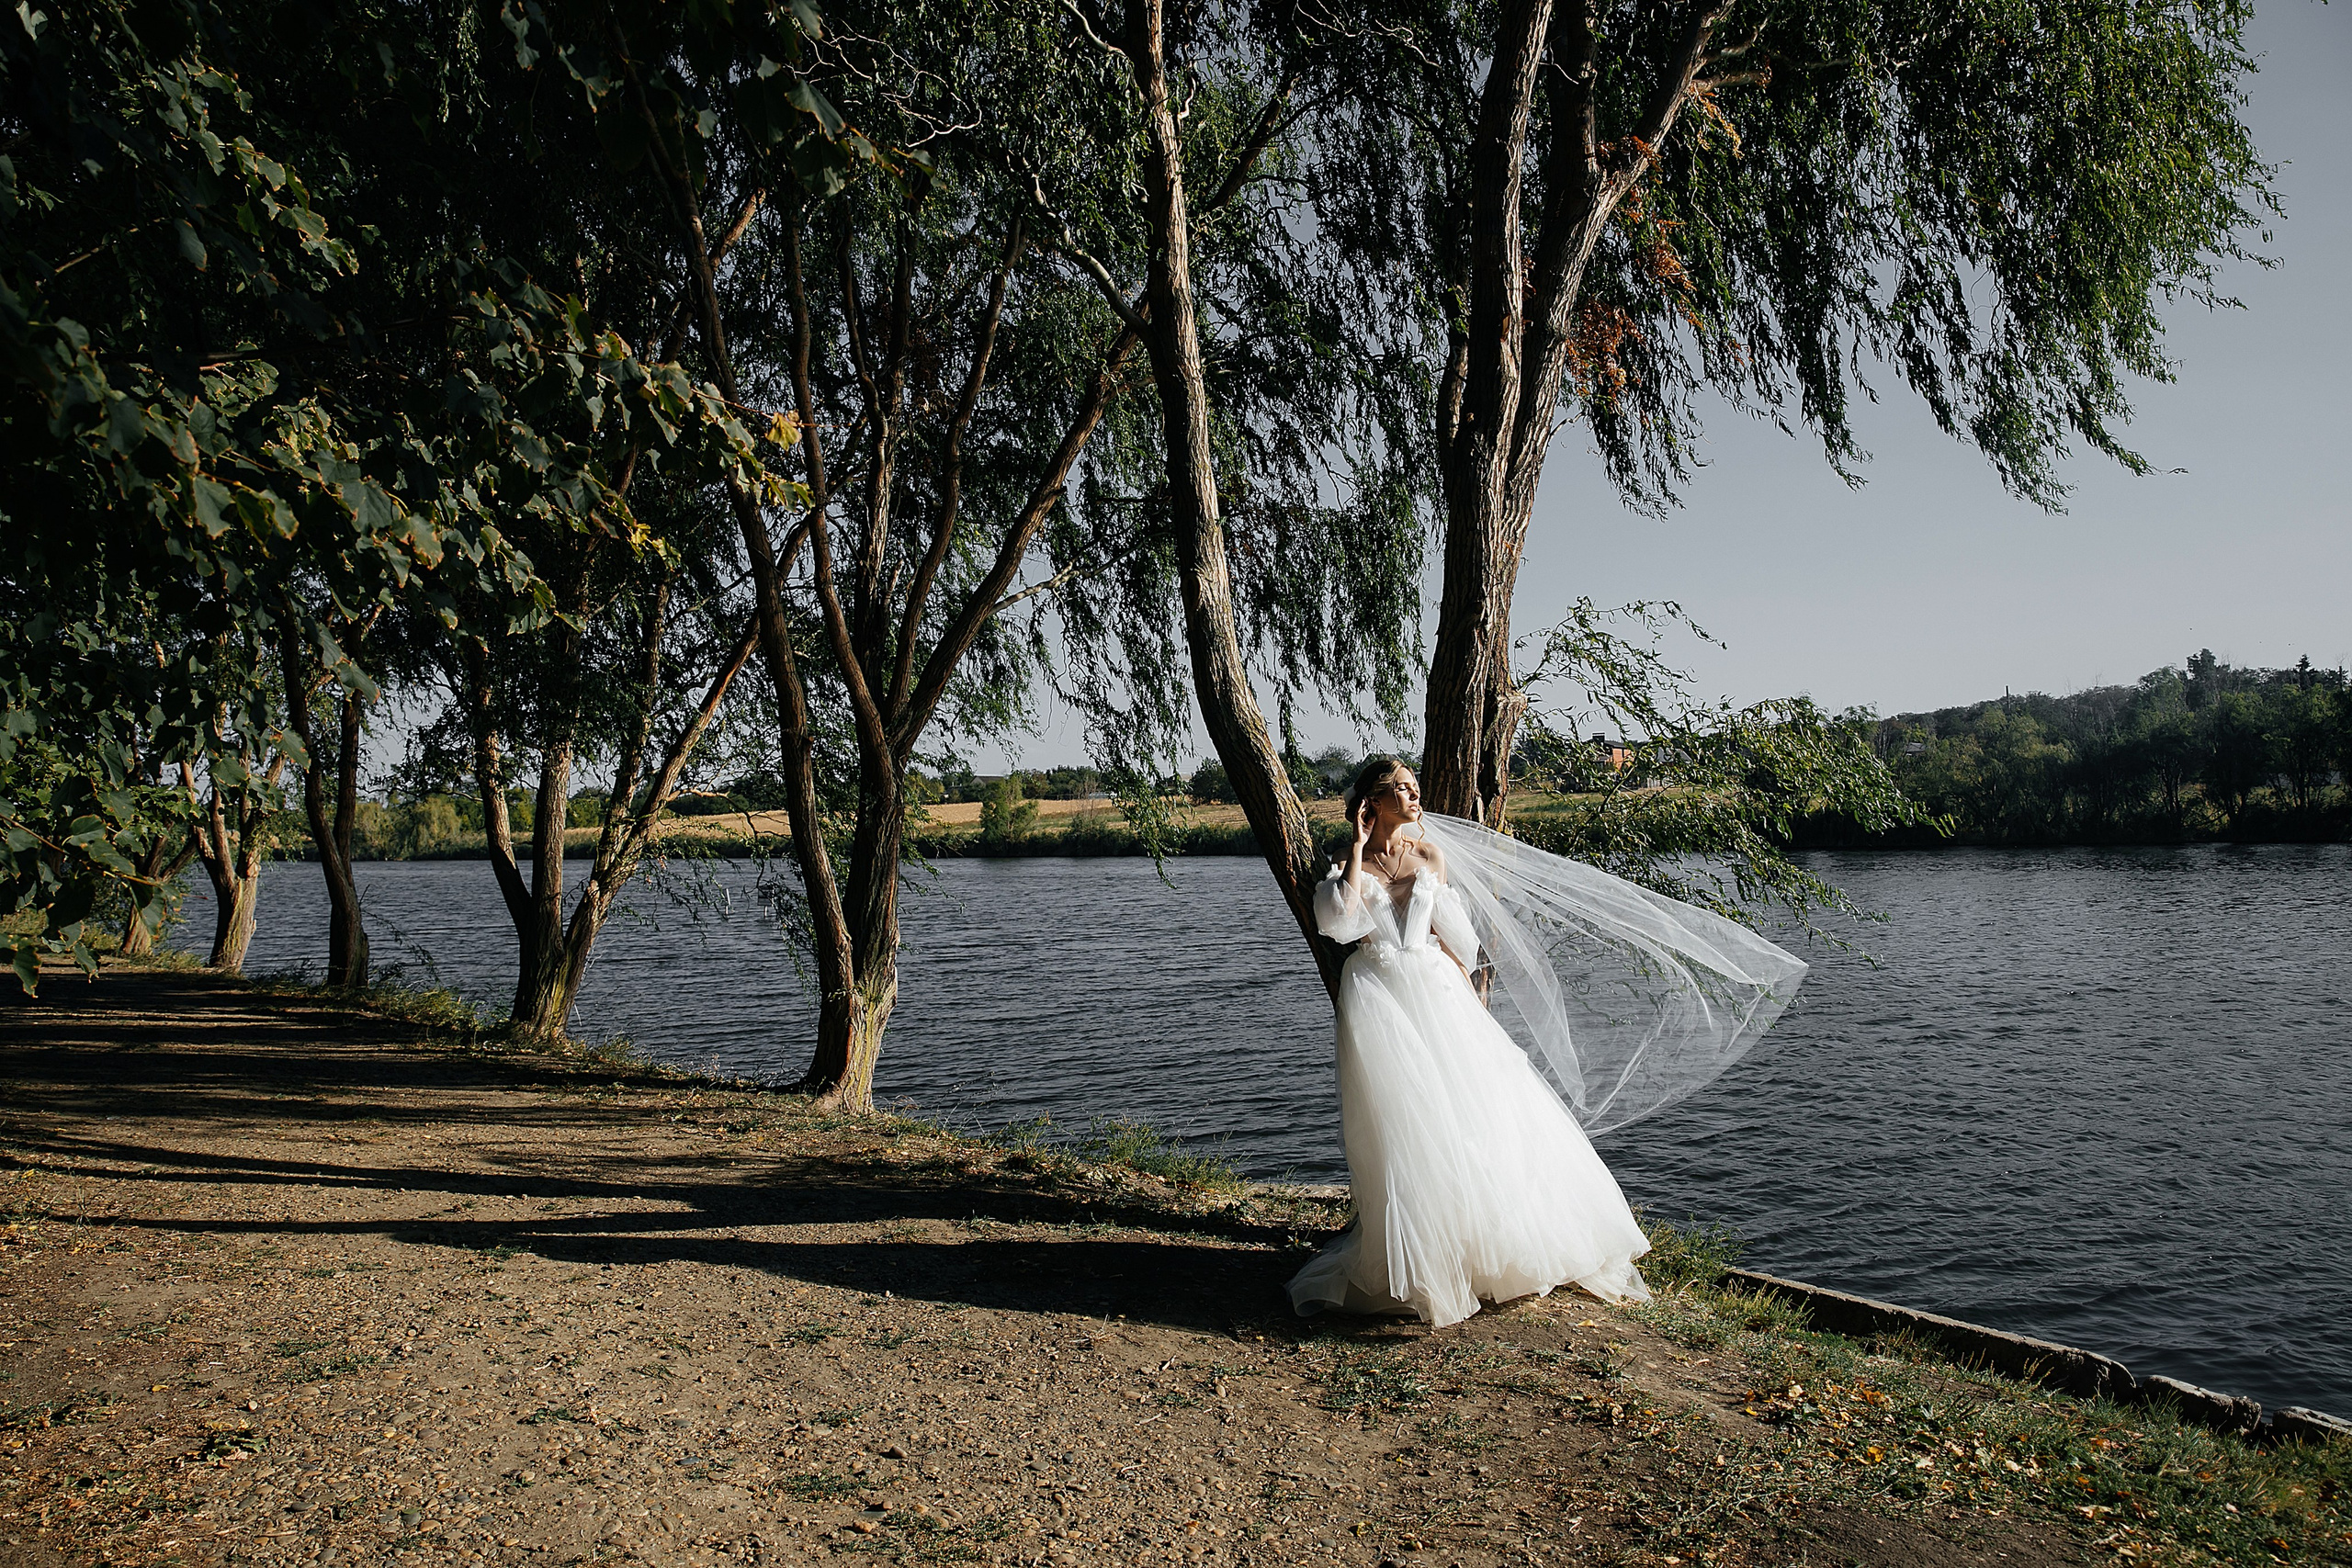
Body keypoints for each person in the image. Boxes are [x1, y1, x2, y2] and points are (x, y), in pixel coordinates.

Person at [1291, 757, 1806, 1327]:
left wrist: (1470, 1005)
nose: (1416, 797)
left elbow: (1457, 939)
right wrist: (1361, 848)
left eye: (1416, 786)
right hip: (1380, 998)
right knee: (1402, 1124)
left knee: (1470, 1117)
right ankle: (1416, 1261)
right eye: (1404, 790)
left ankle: (1483, 1248)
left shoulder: (1431, 855)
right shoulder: (1345, 861)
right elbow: (1340, 924)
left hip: (1436, 991)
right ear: (1374, 803)